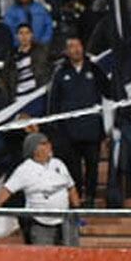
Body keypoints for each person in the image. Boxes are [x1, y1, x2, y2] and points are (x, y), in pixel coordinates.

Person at [46, 37, 110, 206]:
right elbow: (53, 102)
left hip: (92, 129)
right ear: (66, 51)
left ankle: (90, 197)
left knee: (92, 166)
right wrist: (55, 129)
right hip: (69, 132)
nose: (75, 49)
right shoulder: (60, 73)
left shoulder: (94, 69)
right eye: (71, 47)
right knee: (73, 169)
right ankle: (76, 198)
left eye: (78, 45)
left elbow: (110, 91)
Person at [0, 133, 80, 246]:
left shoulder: (58, 163)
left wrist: (76, 208)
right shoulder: (24, 169)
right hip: (41, 223)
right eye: (44, 144)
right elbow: (8, 189)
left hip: (66, 221)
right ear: (34, 149)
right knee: (44, 258)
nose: (50, 145)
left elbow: (71, 186)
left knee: (71, 256)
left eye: (48, 142)